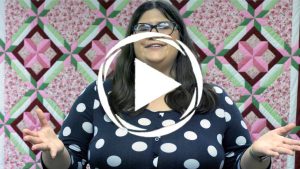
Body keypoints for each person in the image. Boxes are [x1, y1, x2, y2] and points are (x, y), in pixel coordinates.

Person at [23, 1, 300, 169]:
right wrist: (54, 153)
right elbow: (70, 161)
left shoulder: (214, 99)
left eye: (164, 26)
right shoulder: (98, 95)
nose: (153, 33)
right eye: (142, 28)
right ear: (131, 42)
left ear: (180, 38)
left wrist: (255, 154)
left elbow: (237, 164)